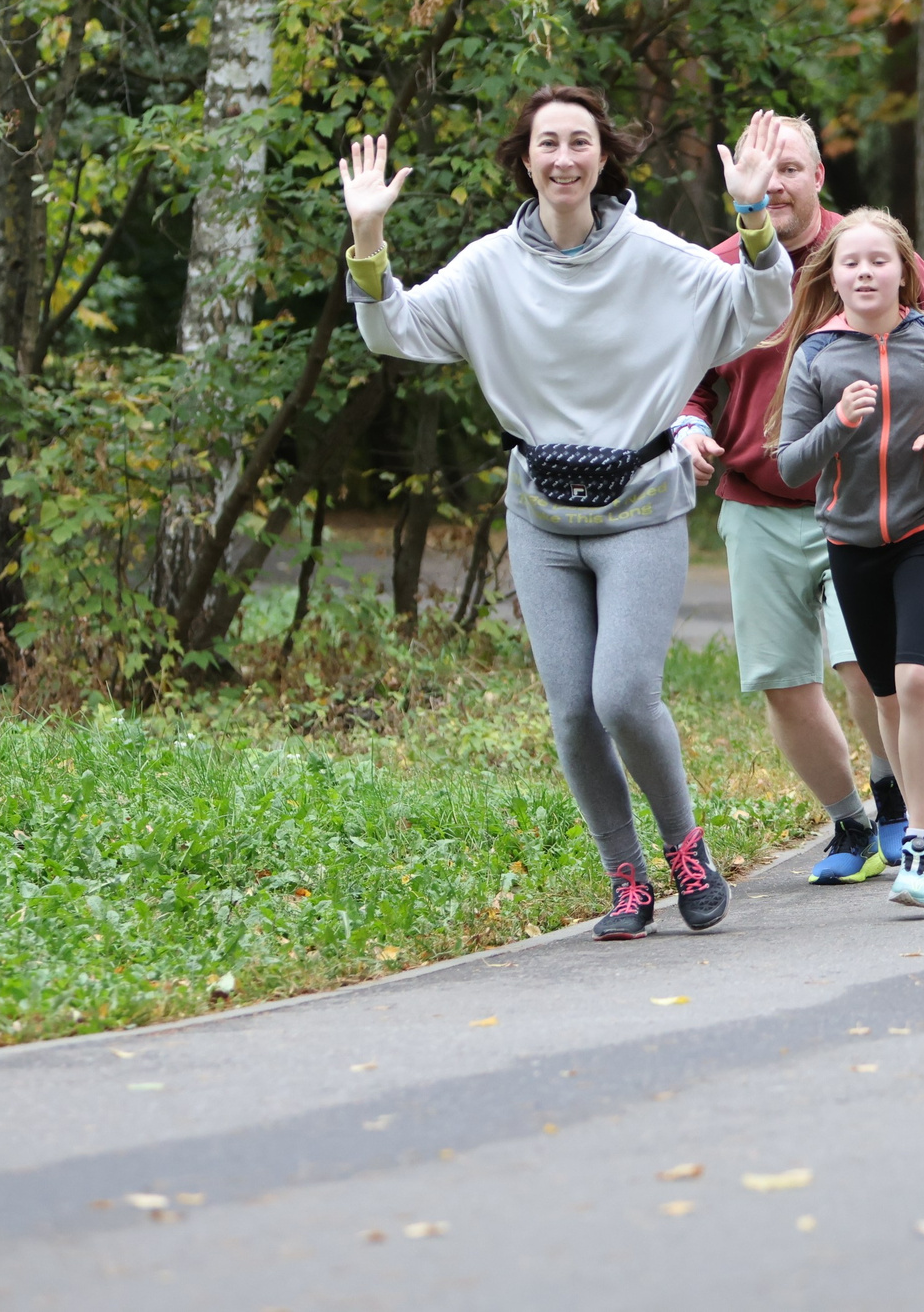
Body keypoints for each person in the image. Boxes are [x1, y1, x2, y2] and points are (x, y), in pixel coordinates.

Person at [340, 88, 793, 940]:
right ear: (525, 157)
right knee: (573, 710)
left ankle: (686, 847)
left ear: (603, 158)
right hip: (540, 513)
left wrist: (752, 213)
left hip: (644, 502)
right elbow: (393, 330)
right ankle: (627, 880)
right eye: (547, 143)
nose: (563, 158)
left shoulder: (654, 255)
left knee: (622, 695)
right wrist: (369, 237)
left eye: (579, 142)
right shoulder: (487, 269)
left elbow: (761, 308)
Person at [679, 114, 924, 884]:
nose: (774, 184)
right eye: (758, 170)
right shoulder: (717, 270)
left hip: (863, 502)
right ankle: (849, 819)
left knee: (864, 668)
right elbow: (688, 381)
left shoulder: (865, 249)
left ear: (818, 178)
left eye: (790, 168)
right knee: (783, 681)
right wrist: (688, 425)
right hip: (756, 497)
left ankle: (903, 806)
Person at [773, 211, 924, 911]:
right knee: (886, 697)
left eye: (879, 261)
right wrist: (837, 425)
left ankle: (923, 843)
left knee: (918, 679)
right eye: (851, 263)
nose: (865, 272)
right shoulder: (815, 355)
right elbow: (787, 466)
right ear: (832, 276)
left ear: (904, 270)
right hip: (852, 541)